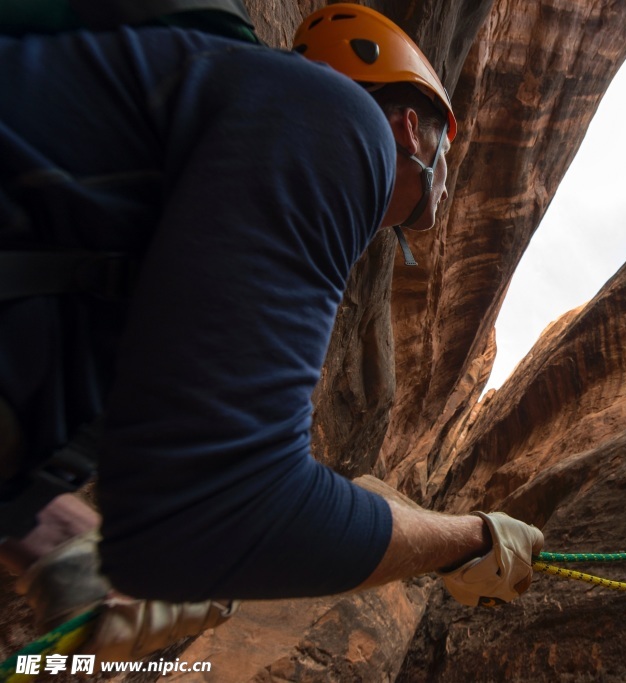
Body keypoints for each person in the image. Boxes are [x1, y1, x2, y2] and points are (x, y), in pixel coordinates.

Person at [0, 1, 543, 659]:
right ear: (409, 127)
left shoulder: (193, 186)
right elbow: (219, 507)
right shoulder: (342, 123)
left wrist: (50, 532)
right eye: (448, 150)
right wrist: (473, 537)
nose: (450, 178)